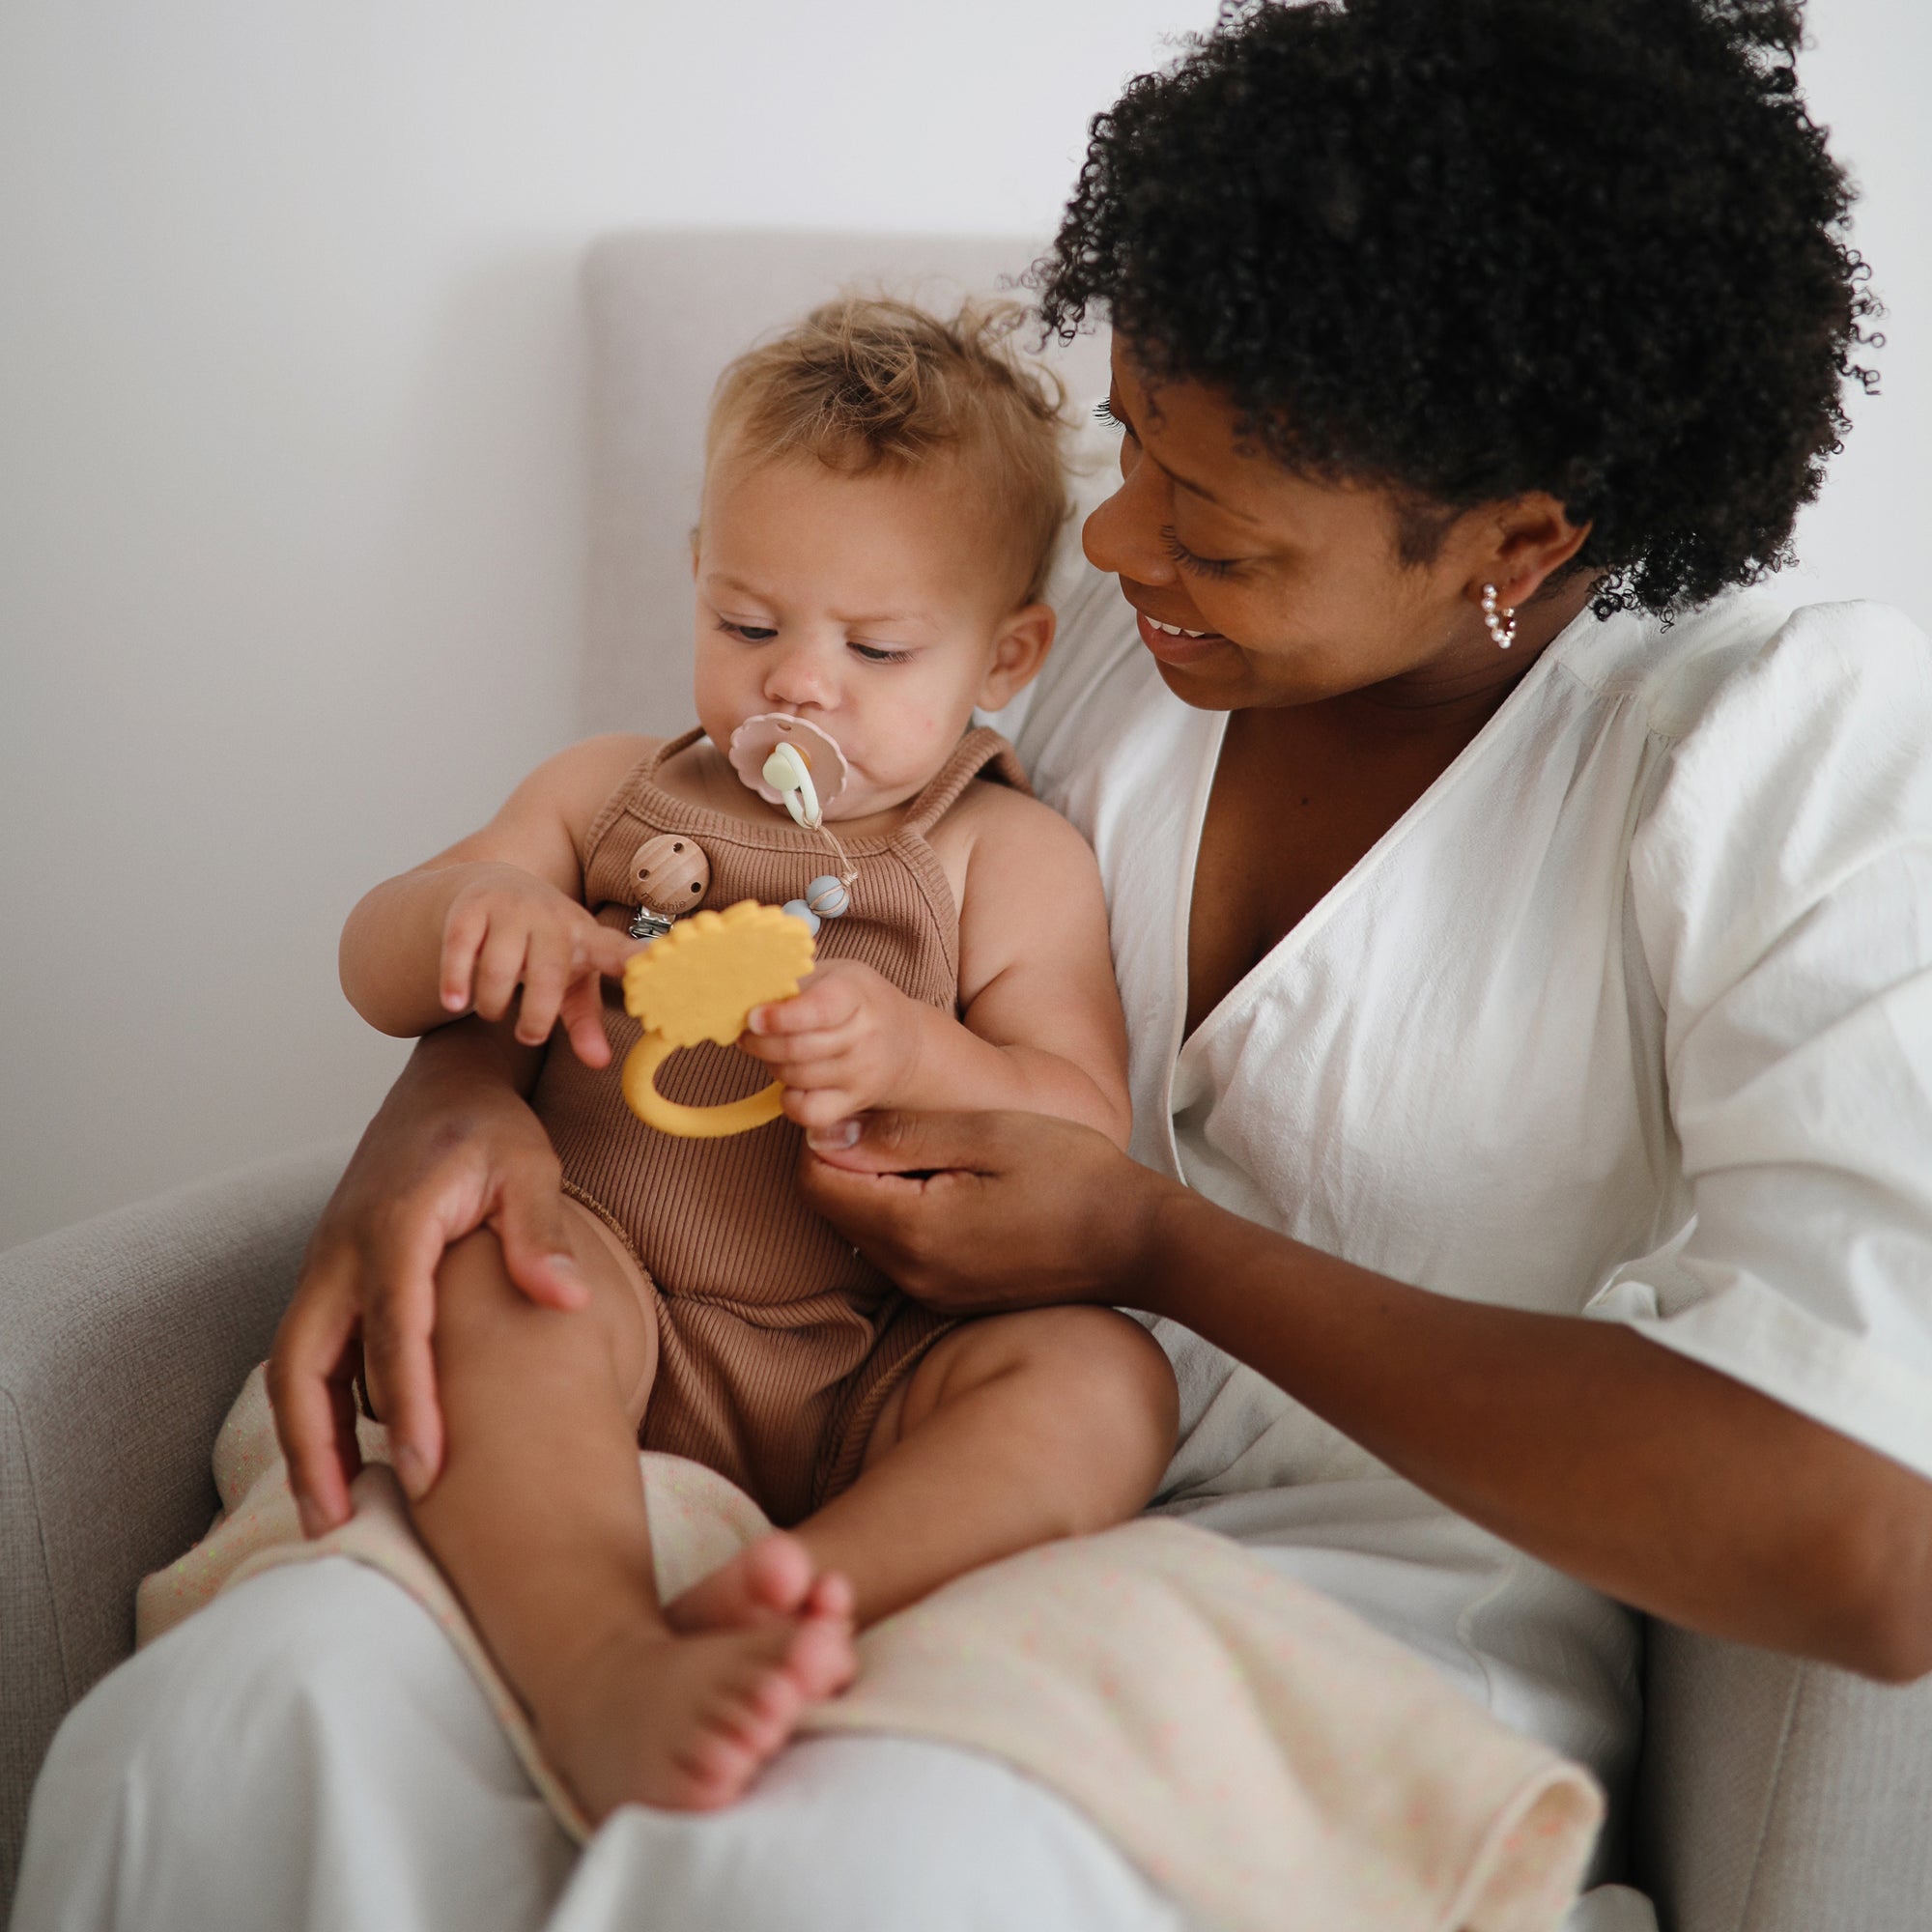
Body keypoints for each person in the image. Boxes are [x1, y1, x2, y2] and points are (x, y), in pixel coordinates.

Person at [17, 2, 1932, 1928]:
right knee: (241, 1728)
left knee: (821, 1870)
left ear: (1517, 538)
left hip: (1321, 1600)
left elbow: (1871, 1539)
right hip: (774, 1445)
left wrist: (1153, 1244)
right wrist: (446, 1103)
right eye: (1128, 442)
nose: (1116, 534)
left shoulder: (1779, 759)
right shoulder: (1053, 627)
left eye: (1210, 520)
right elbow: (645, 871)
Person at [325, 294, 1175, 1818]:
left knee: (1106, 1375)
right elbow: (371, 957)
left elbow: (1084, 1123)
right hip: (617, 1299)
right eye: (747, 624)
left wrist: (922, 1048)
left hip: (881, 1351)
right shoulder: (608, 792)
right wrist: (484, 907)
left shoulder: (1007, 856)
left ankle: (803, 1591)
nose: (799, 683)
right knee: (483, 1278)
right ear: (698, 586)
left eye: (878, 644)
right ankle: (591, 1659)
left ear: (1006, 654)